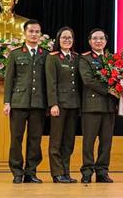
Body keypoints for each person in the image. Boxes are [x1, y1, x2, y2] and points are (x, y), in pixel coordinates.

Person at [3, 19, 48, 184]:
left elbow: (49, 81)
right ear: (24, 33)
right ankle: (17, 172)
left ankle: (31, 172)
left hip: (38, 103)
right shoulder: (15, 54)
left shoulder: (46, 54)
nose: (34, 34)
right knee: (16, 138)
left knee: (35, 139)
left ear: (40, 34)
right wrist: (7, 102)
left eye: (37, 32)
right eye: (31, 31)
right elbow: (9, 80)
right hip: (19, 102)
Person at [78, 28, 118, 183]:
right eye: (95, 38)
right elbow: (88, 80)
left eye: (101, 38)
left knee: (106, 142)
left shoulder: (112, 59)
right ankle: (87, 171)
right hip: (91, 106)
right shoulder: (85, 58)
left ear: (106, 41)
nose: (98, 41)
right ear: (90, 41)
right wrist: (109, 90)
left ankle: (102, 172)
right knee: (89, 142)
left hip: (109, 107)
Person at [45, 26, 81, 183]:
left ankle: (66, 172)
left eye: (70, 37)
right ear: (58, 40)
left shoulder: (76, 57)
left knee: (68, 141)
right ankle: (57, 173)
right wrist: (53, 104)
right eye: (64, 37)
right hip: (59, 105)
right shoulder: (52, 57)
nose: (67, 40)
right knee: (56, 141)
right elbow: (51, 83)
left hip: (73, 104)